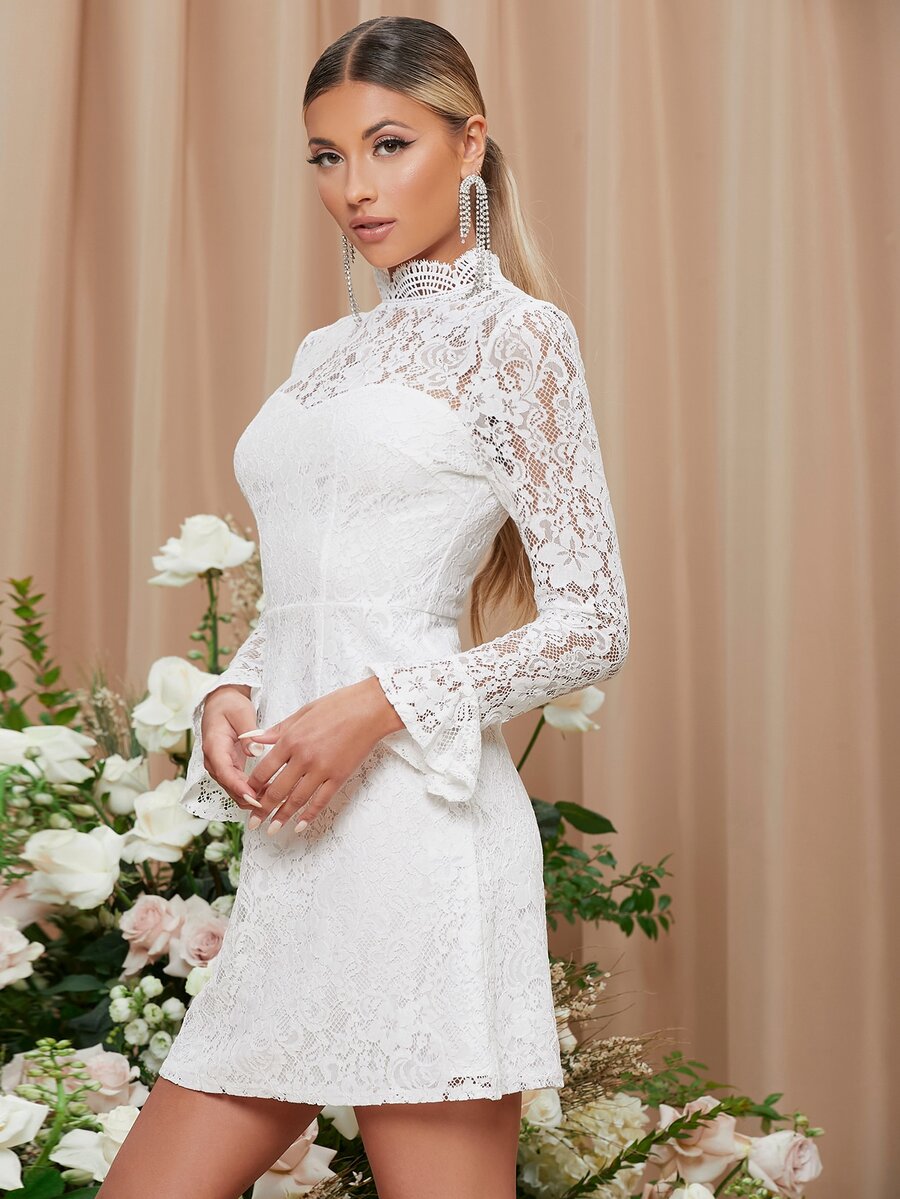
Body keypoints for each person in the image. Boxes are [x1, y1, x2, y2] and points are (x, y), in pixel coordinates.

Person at [99, 15, 629, 1199]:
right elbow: (317, 584)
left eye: (389, 145)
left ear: (469, 143)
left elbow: (595, 618)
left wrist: (374, 705)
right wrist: (236, 685)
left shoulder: (516, 337)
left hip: (422, 834)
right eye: (327, 156)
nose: (355, 187)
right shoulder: (322, 354)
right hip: (297, 848)